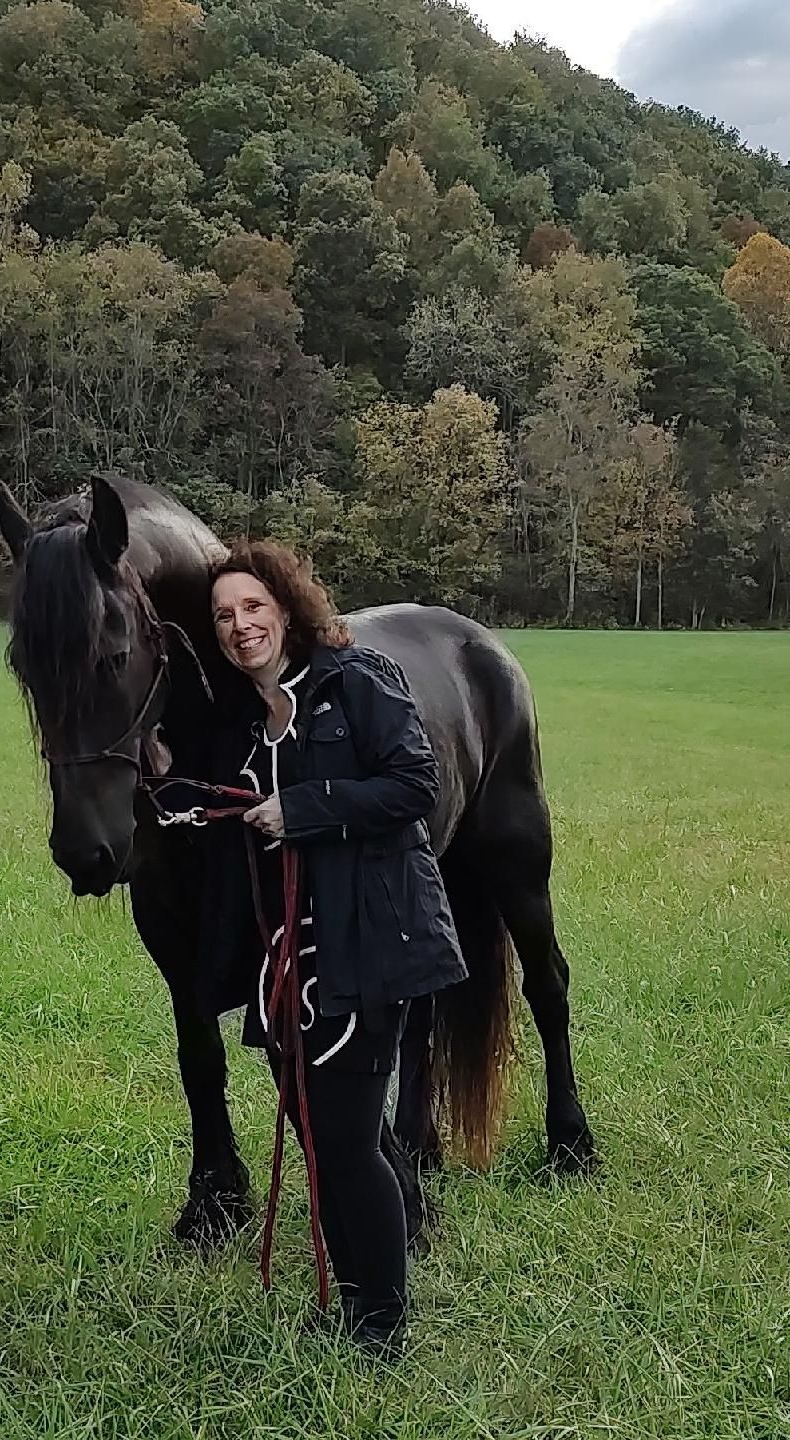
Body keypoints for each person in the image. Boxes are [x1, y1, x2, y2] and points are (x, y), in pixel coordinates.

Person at [198, 539, 468, 1355]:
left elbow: (414, 784)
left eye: (252, 606)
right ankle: (353, 1296)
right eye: (223, 616)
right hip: (294, 960)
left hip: (370, 942)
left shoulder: (354, 681)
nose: (241, 625)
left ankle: (381, 1323)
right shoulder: (253, 722)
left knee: (348, 1140)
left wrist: (305, 808)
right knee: (319, 1137)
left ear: (285, 606)